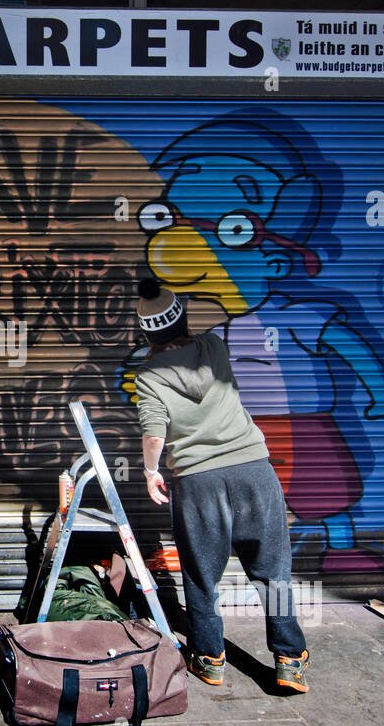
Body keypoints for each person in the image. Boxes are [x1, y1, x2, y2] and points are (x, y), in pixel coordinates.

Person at [132, 276, 310, 693]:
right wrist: (171, 299)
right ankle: (288, 659)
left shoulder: (148, 375)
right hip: (253, 470)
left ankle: (210, 658)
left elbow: (154, 432)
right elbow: (203, 316)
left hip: (197, 481)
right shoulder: (214, 348)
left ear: (147, 333)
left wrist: (150, 471)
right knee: (273, 572)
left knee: (201, 574)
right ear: (182, 319)